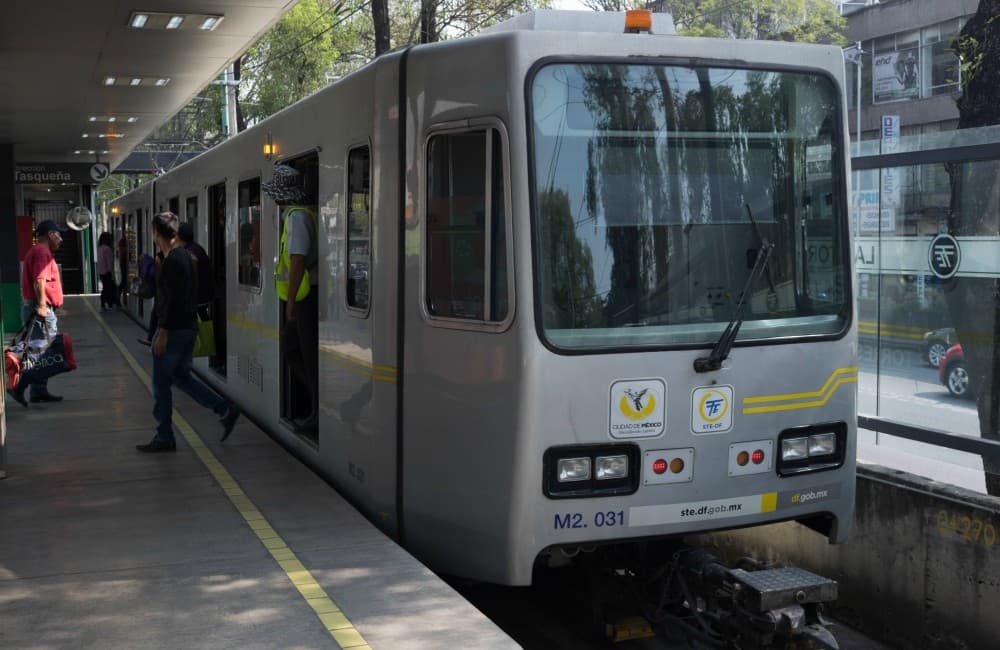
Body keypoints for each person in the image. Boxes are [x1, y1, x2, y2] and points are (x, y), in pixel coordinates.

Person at [136, 212, 240, 453]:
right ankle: (224, 408)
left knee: (161, 385)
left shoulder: (174, 260)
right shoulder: (186, 256)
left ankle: (164, 436)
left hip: (173, 331)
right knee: (182, 377)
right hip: (188, 328)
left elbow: (171, 300)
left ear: (156, 234)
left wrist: (162, 332)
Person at [263, 164, 319, 431]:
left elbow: (297, 260)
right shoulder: (303, 213)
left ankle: (317, 412)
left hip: (306, 297)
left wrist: (292, 302)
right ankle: (315, 407)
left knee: (302, 354)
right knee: (294, 349)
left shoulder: (297, 216)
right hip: (304, 296)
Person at [12, 220, 67, 405]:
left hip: (38, 307)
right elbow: (39, 280)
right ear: (50, 234)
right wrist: (43, 305)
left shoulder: (40, 251)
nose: (61, 239)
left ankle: (38, 390)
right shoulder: (42, 252)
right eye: (58, 234)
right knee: (40, 352)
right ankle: (18, 386)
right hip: (39, 309)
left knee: (41, 349)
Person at [178, 222, 214, 320]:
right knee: (202, 320)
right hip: (202, 297)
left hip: (196, 299)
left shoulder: (189, 251)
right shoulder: (196, 248)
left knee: (198, 323)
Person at [97, 232, 119, 312]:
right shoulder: (107, 249)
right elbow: (110, 263)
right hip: (107, 272)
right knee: (109, 289)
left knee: (105, 289)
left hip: (101, 272)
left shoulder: (100, 248)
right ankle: (110, 305)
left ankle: (103, 305)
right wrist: (113, 274)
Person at [117, 233, 129, 306]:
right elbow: (122, 252)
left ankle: (120, 298)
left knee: (124, 282)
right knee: (123, 281)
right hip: (124, 264)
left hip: (124, 263)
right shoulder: (122, 241)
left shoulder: (123, 241)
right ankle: (118, 298)